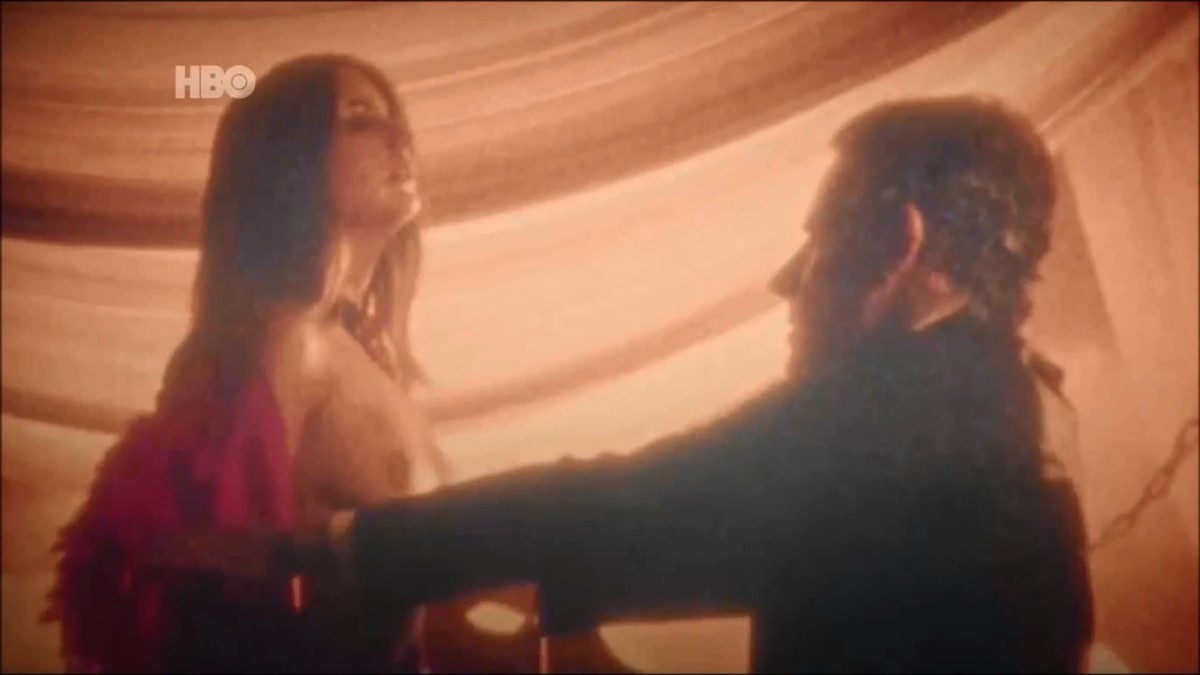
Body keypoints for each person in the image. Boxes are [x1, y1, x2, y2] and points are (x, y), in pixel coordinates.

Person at [227, 96, 1095, 672]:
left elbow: (621, 508)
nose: (788, 280)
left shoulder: (892, 417)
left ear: (899, 242)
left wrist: (332, 545)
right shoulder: (1012, 408)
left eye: (821, 236)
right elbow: (693, 546)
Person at [44, 53, 447, 673]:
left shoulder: (362, 356)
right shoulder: (279, 344)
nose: (401, 137)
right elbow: (195, 572)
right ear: (288, 158)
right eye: (360, 118)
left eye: (395, 118)